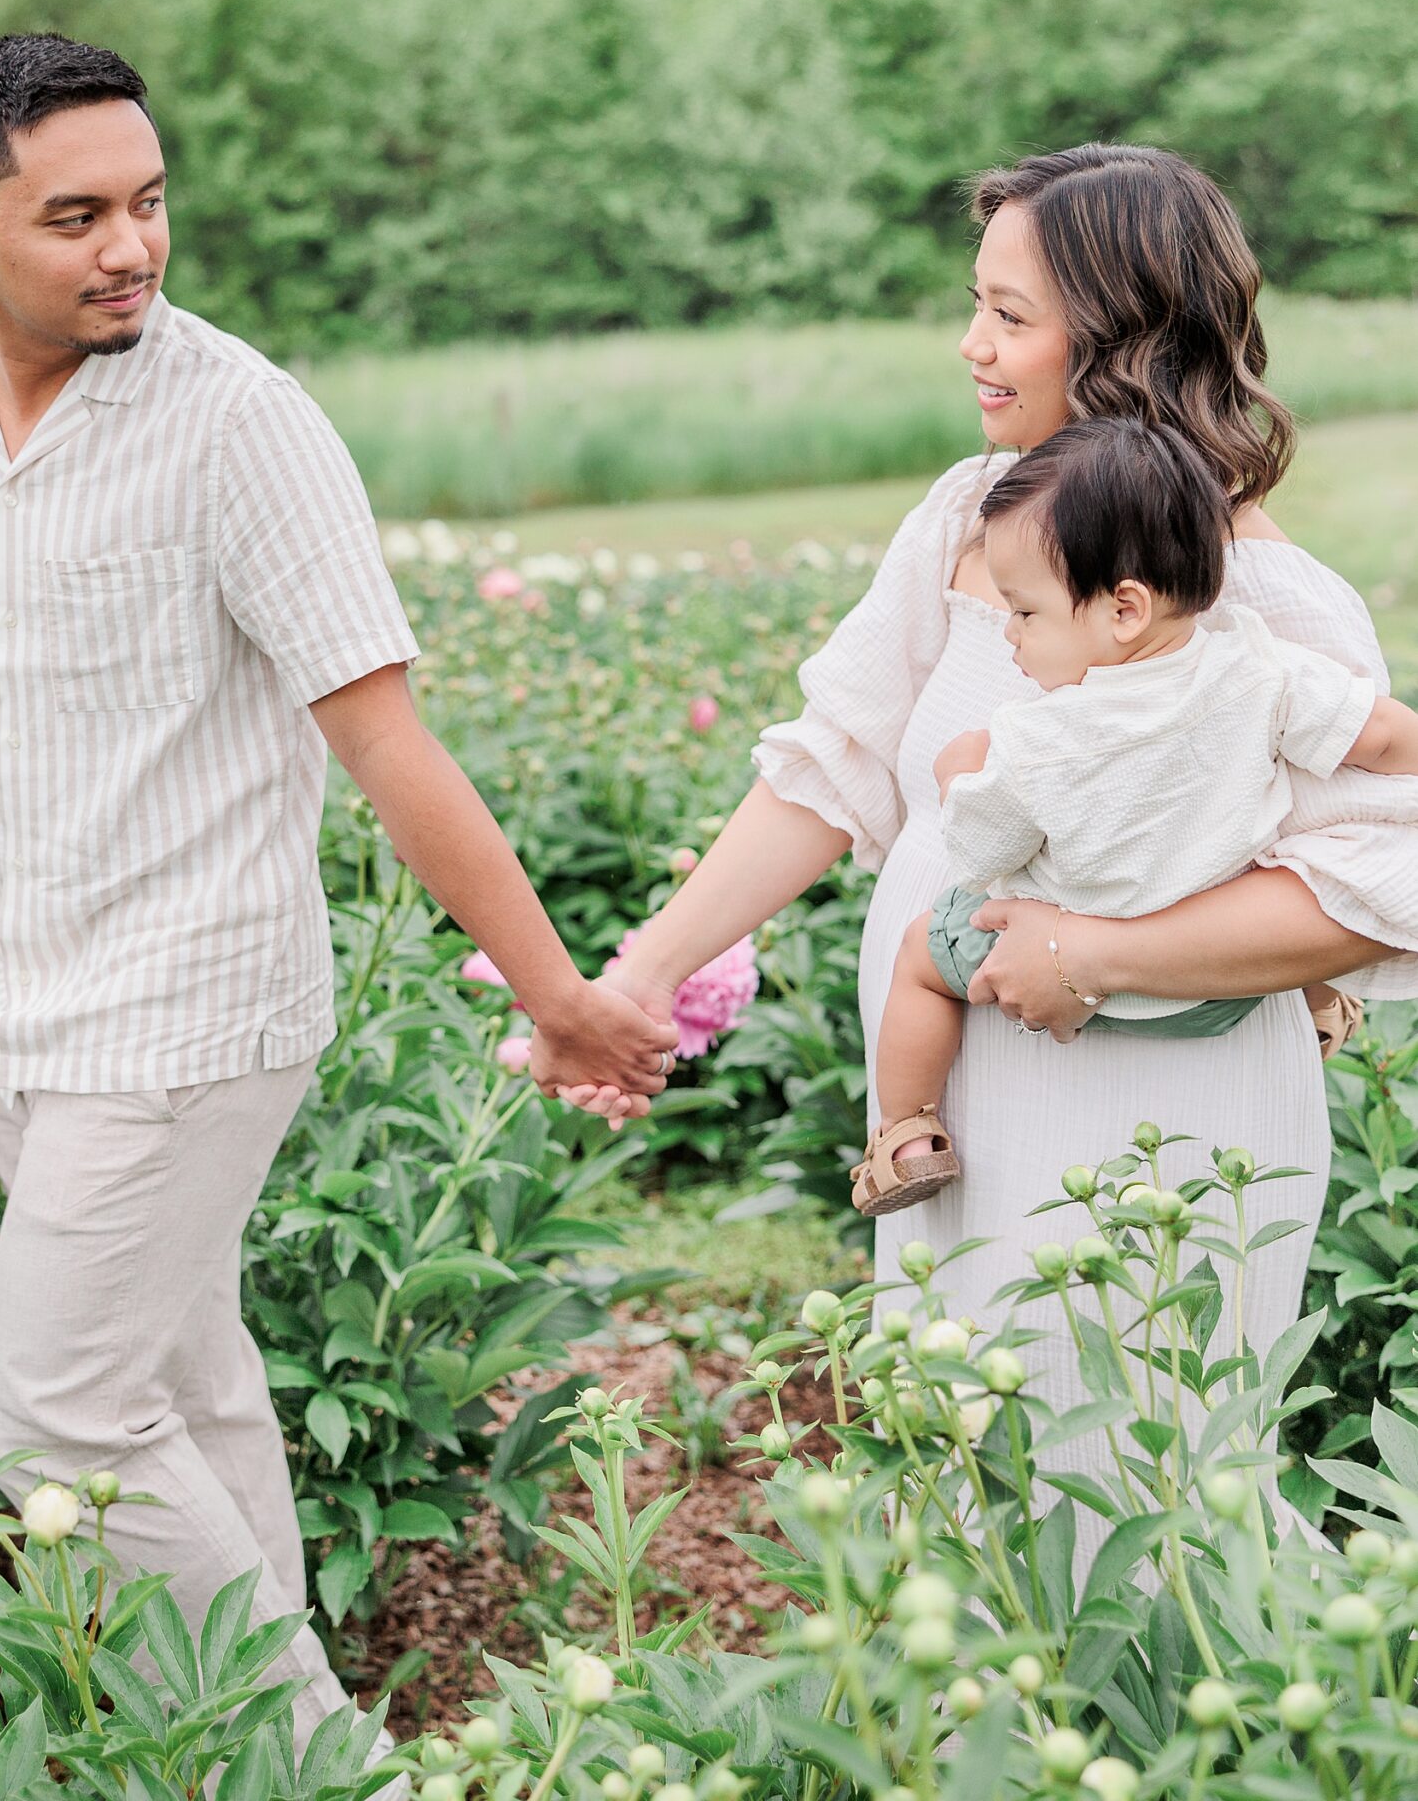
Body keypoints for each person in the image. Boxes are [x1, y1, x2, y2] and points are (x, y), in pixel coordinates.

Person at [0, 34, 676, 1761]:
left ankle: (322, 1766)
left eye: (148, 202)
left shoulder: (239, 419)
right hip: (31, 1006)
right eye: (75, 214)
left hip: (196, 997)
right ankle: (248, 1758)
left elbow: (384, 734)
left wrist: (553, 991)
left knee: (50, 1421)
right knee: (185, 1389)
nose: (130, 247)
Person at [533, 144, 1418, 1421]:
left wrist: (1093, 951)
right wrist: (641, 980)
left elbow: (1374, 885)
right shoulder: (968, 519)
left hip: (1164, 1130)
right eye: (975, 303)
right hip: (952, 1119)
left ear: (1128, 341)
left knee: (1128, 1489)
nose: (970, 342)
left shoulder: (1257, 591)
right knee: (960, 1465)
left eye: (1009, 315)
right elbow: (829, 766)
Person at [854, 416, 1418, 1217]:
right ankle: (1320, 997)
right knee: (1276, 851)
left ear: (1123, 609)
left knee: (922, 953)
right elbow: (1381, 733)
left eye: (1024, 613)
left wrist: (961, 773)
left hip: (1091, 979)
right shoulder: (1260, 667)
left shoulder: (1038, 740)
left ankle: (905, 1135)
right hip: (1220, 991)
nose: (1009, 635)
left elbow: (982, 851)